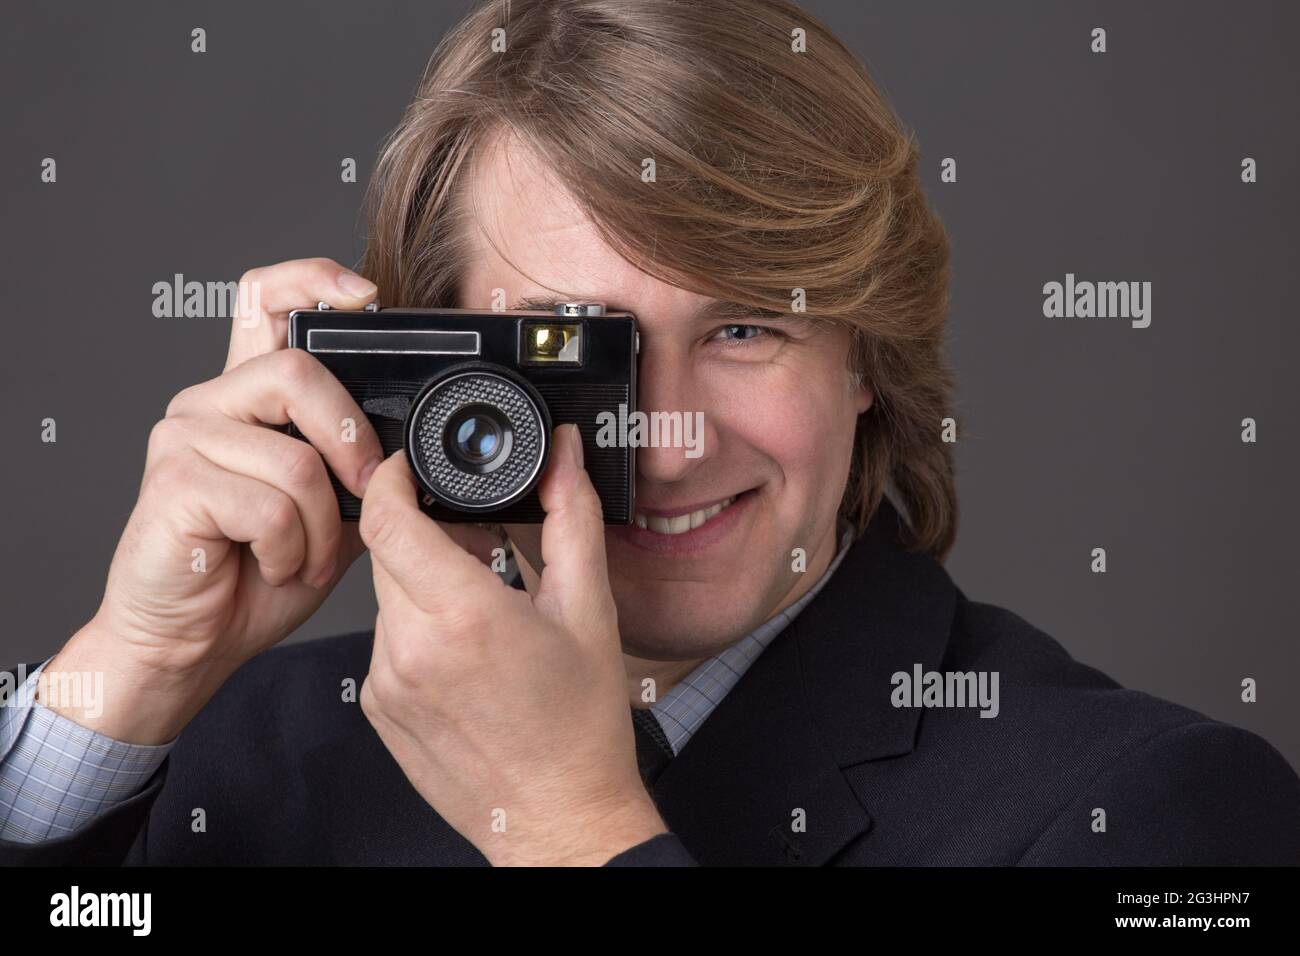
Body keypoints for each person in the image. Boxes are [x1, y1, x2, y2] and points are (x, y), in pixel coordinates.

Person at [2, 0, 1297, 866]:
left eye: (746, 331)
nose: (667, 443)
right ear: (441, 365)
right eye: (573, 346)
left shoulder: (1150, 813)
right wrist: (120, 690)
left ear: (865, 361)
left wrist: (575, 828)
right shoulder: (258, 744)